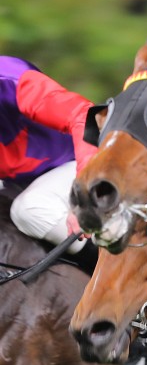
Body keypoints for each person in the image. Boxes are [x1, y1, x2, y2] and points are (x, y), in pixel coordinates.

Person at [0, 56, 98, 272]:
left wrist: (84, 194)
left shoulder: (12, 79)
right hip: (21, 181)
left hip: (79, 160)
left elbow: (85, 116)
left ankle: (117, 275)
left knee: (30, 208)